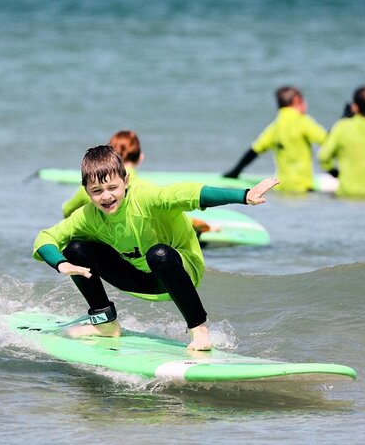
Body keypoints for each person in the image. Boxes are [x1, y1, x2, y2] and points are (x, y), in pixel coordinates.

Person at [33, 145, 279, 351]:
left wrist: (244, 195)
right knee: (75, 249)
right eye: (96, 191)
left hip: (179, 272)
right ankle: (105, 324)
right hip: (137, 278)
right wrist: (61, 263)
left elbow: (191, 193)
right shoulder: (87, 216)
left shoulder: (147, 198)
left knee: (158, 254)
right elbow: (45, 237)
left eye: (112, 188)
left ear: (126, 181)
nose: (106, 197)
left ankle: (200, 331)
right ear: (85, 190)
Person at [61, 130, 215, 239]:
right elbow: (168, 214)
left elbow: (67, 210)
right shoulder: (146, 187)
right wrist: (202, 225)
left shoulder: (92, 188)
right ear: (140, 157)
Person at [223, 86, 327, 193]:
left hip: (282, 187)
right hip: (303, 187)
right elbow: (328, 142)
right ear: (297, 100)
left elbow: (254, 151)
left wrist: (235, 171)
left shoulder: (275, 127)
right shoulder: (303, 122)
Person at [318, 86, 365, 198]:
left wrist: (333, 171)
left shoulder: (342, 126)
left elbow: (323, 156)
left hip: (346, 194)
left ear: (355, 107)